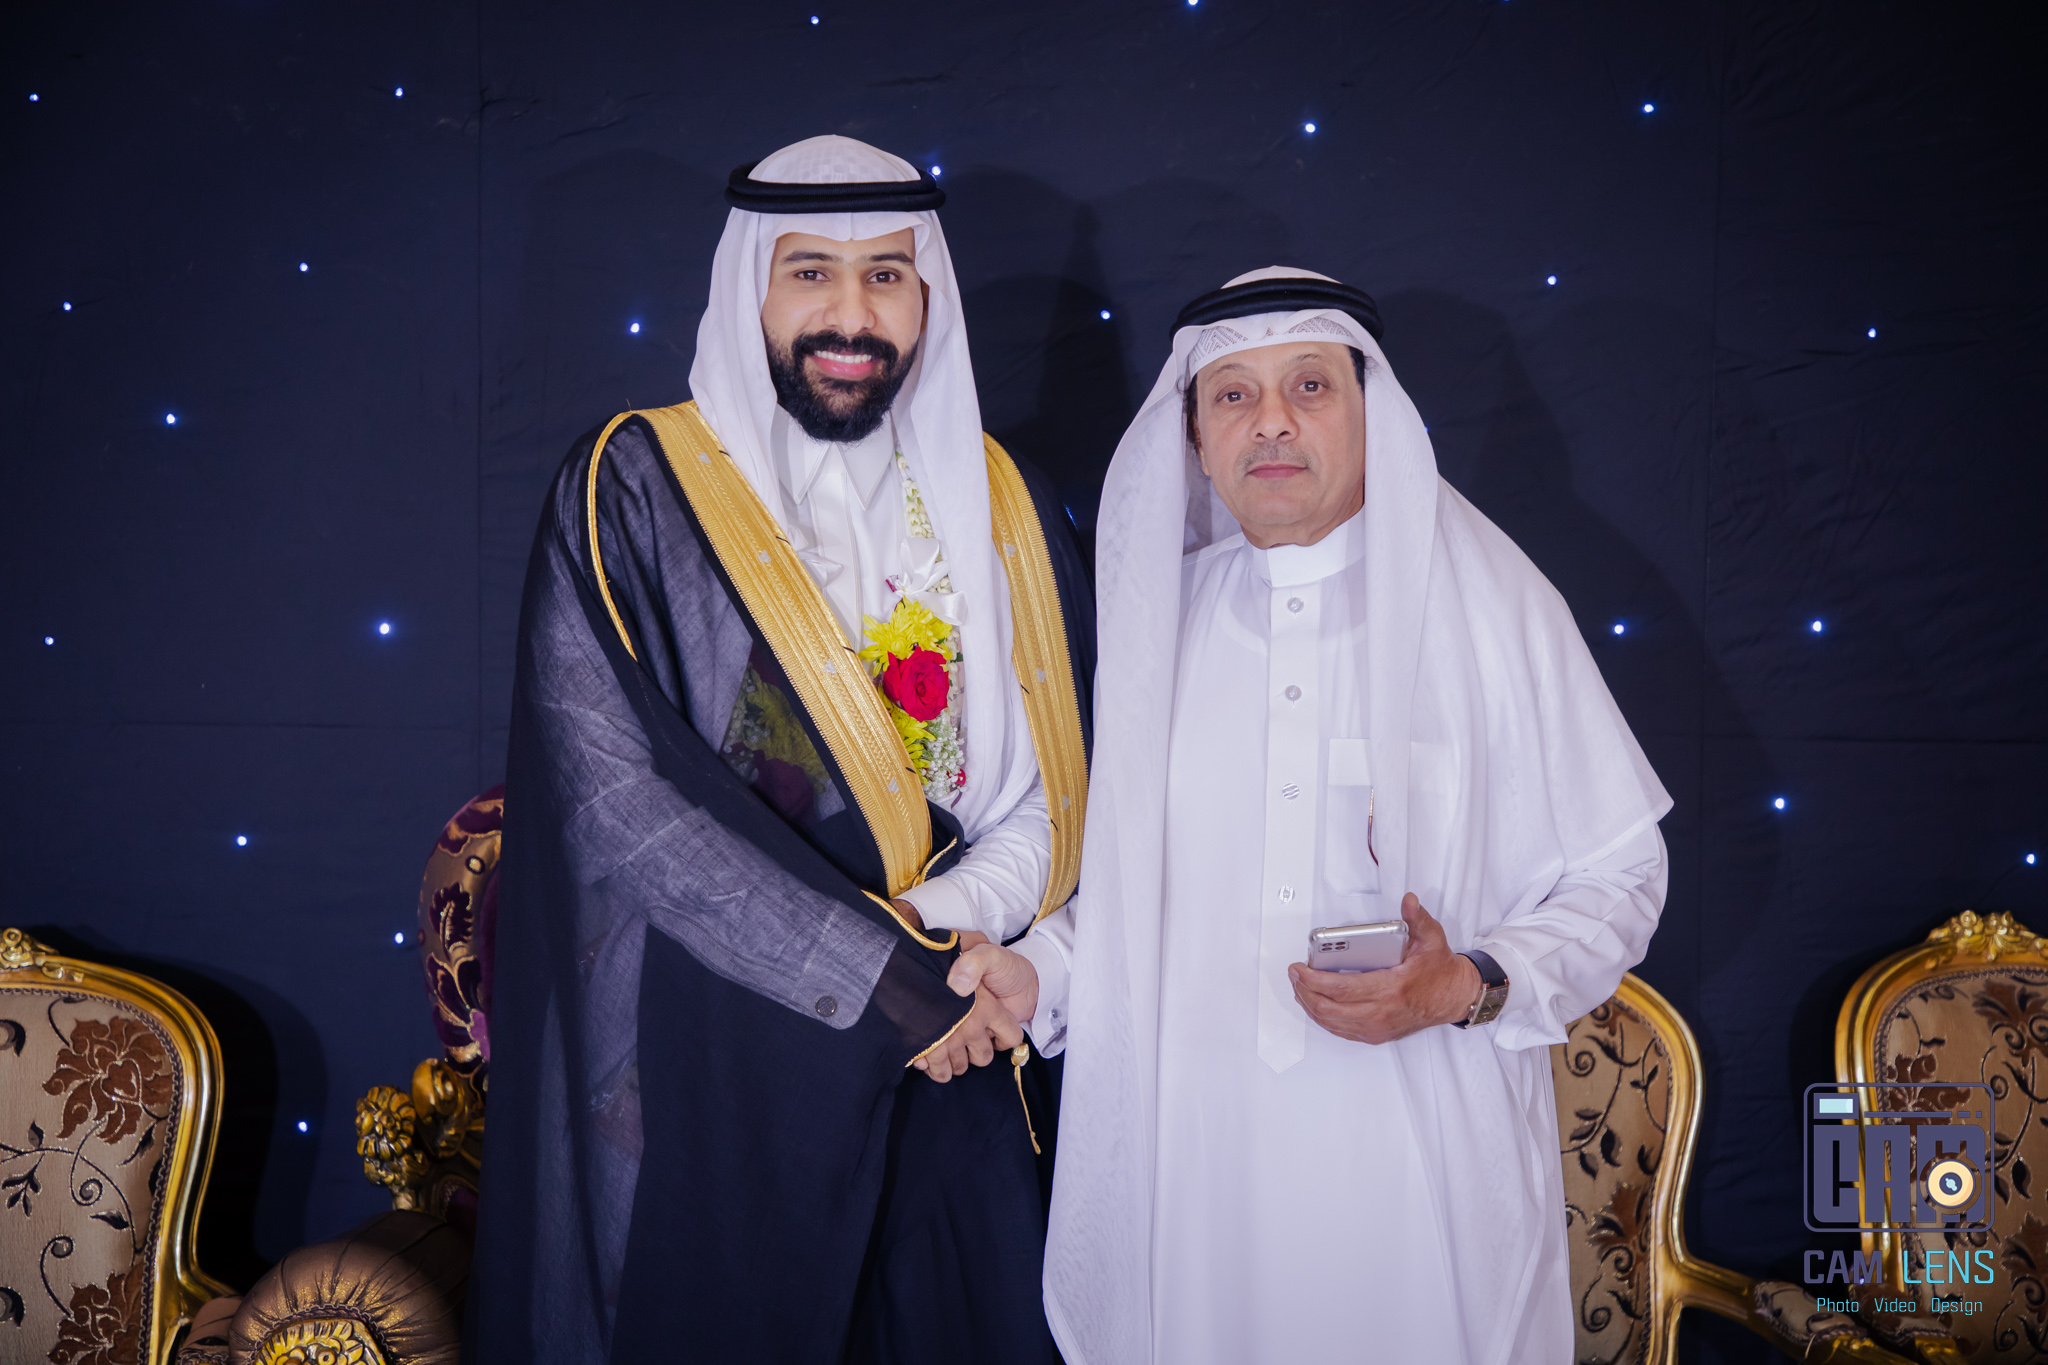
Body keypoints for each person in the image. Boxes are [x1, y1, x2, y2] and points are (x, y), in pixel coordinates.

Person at [957, 267, 1672, 1363]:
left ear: (1369, 413)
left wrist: (1469, 983)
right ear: (1195, 439)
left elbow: (1622, 876)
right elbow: (1147, 890)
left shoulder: (1493, 608)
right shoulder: (1160, 627)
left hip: (1420, 1180)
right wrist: (1040, 973)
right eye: (1232, 395)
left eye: (1308, 385)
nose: (1271, 421)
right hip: (1196, 1175)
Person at [468, 135, 1090, 1365]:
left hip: (959, 1053)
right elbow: (620, 808)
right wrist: (890, 979)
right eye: (811, 273)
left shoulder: (1001, 500)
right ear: (750, 284)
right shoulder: (633, 486)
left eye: (885, 276)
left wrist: (949, 942)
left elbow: (1055, 793)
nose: (850, 316)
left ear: (926, 298)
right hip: (730, 1071)